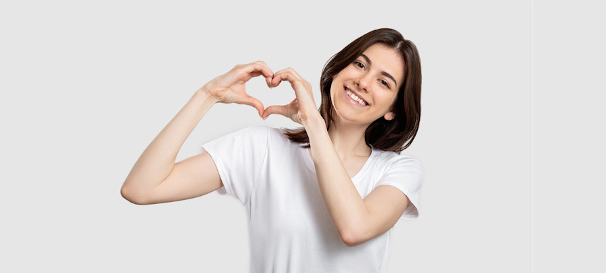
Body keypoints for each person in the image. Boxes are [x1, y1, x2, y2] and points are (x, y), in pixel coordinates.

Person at [121, 28, 423, 272]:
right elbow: (141, 188)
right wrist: (207, 95)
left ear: (393, 110)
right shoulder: (263, 148)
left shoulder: (397, 171)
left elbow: (354, 229)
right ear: (338, 69)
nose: (363, 82)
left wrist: (314, 123)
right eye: (359, 64)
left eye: (384, 82)